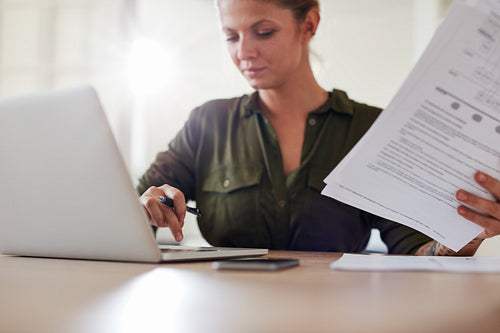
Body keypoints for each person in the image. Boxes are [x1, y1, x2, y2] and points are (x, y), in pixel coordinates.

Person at [137, 0, 500, 255]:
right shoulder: (207, 122)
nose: (244, 51)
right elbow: (131, 212)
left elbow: (412, 248)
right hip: (223, 313)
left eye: (263, 32)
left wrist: (468, 236)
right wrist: (146, 204)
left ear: (308, 25)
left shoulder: (368, 128)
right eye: (231, 36)